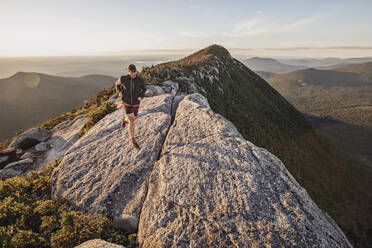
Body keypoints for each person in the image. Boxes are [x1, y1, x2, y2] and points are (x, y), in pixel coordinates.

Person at [115, 64, 146, 150]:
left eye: (134, 72)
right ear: (128, 72)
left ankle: (124, 119)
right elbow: (117, 84)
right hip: (127, 102)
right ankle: (133, 140)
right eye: (131, 72)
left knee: (133, 118)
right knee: (132, 120)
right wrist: (120, 91)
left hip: (136, 102)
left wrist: (141, 96)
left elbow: (144, 89)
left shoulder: (140, 80)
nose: (133, 74)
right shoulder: (123, 78)